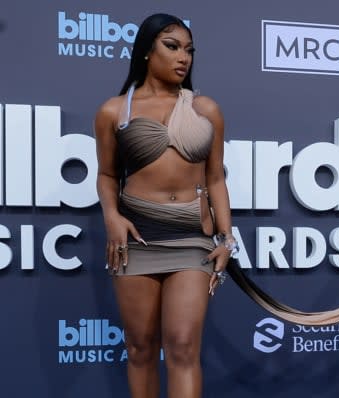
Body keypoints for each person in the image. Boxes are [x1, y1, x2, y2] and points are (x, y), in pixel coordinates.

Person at [94, 13, 238, 398]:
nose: (183, 57)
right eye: (172, 46)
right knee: (140, 349)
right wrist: (112, 216)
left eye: (189, 50)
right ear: (146, 51)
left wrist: (227, 238)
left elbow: (216, 179)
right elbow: (107, 176)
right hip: (136, 237)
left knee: (183, 347)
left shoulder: (205, 109)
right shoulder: (113, 111)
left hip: (192, 237)